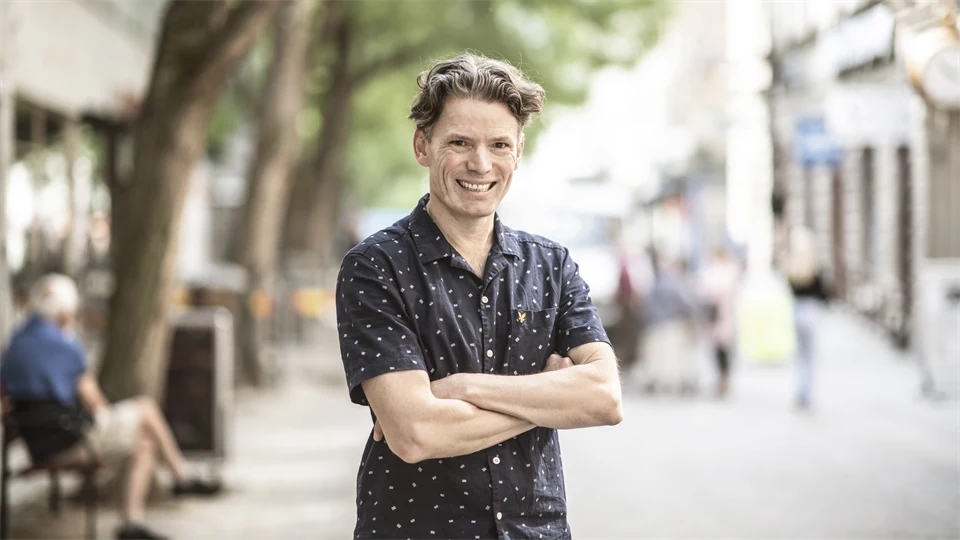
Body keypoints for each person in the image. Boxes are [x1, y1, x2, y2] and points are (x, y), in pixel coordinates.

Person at [335, 53, 623, 539]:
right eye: (460, 143)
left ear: (519, 151)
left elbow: (604, 398)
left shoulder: (552, 266)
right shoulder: (374, 267)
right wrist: (547, 399)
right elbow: (413, 433)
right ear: (422, 146)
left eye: (499, 145)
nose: (481, 164)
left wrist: (462, 388)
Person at [0, 274, 221, 540]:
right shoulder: (65, 346)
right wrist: (110, 423)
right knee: (146, 410)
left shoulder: (15, 344)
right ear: (64, 312)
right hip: (70, 442)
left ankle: (133, 524)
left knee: (145, 443)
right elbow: (94, 401)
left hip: (37, 445)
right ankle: (180, 478)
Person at [784, 226, 829, 410]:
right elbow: (824, 294)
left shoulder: (792, 266)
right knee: (809, 356)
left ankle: (800, 392)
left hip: (796, 311)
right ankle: (806, 394)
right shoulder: (813, 267)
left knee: (801, 356)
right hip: (810, 311)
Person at [698, 247, 741, 398]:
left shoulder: (723, 271)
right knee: (720, 351)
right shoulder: (725, 271)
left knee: (723, 351)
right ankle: (722, 379)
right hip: (717, 317)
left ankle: (724, 380)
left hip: (722, 317)